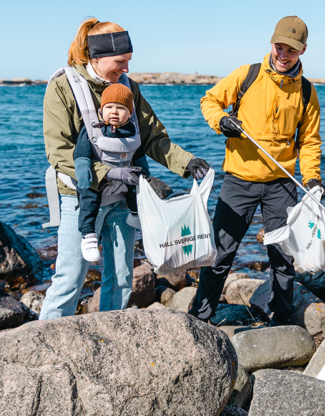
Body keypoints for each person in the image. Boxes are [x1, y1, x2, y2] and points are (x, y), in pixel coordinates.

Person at [41, 18, 210, 319]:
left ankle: (110, 341)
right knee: (69, 281)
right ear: (96, 57)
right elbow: (59, 152)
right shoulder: (63, 86)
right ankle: (39, 350)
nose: (127, 69)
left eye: (129, 61)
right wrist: (109, 173)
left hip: (122, 200)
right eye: (121, 62)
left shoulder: (129, 87)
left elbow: (153, 138)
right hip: (80, 199)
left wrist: (187, 163)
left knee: (120, 279)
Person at [189, 15, 325, 326]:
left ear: (303, 50)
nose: (283, 54)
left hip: (282, 185)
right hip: (239, 181)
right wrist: (221, 121)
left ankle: (282, 318)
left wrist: (312, 177)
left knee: (282, 257)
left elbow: (310, 140)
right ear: (272, 44)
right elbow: (209, 100)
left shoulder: (306, 91)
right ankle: (200, 317)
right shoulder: (247, 75)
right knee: (221, 254)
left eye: (291, 50)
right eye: (279, 47)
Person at [73, 83, 149, 262]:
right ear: (101, 111)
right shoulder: (94, 129)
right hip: (98, 177)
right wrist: (83, 167)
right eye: (109, 107)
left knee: (135, 188)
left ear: (130, 113)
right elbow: (81, 151)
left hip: (124, 173)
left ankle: (135, 215)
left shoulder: (132, 131)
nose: (114, 111)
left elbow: (138, 152)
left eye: (121, 108)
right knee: (89, 197)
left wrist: (144, 172)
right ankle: (89, 236)